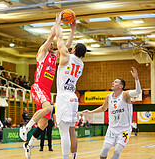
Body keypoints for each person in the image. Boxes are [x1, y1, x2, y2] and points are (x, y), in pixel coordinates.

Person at [20, 13, 76, 159]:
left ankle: (29, 144)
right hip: (38, 87)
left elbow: (67, 46)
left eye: (53, 44)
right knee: (49, 108)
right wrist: (56, 24)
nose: (53, 44)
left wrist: (72, 30)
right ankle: (26, 127)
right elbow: (52, 37)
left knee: (44, 123)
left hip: (46, 91)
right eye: (51, 43)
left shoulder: (54, 56)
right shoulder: (42, 53)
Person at [83, 67, 141, 159]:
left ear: (121, 86)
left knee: (117, 151)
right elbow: (103, 108)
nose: (113, 83)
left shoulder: (125, 95)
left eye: (116, 82)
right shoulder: (108, 97)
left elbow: (138, 91)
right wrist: (90, 112)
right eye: (113, 82)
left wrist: (136, 78)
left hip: (124, 130)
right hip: (112, 129)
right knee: (105, 149)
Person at [55, 12, 86, 159]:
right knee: (72, 130)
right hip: (73, 97)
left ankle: (65, 158)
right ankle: (73, 156)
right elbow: (64, 45)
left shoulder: (66, 57)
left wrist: (58, 23)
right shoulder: (81, 64)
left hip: (64, 97)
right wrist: (73, 30)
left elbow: (60, 39)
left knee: (63, 132)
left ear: (73, 50)